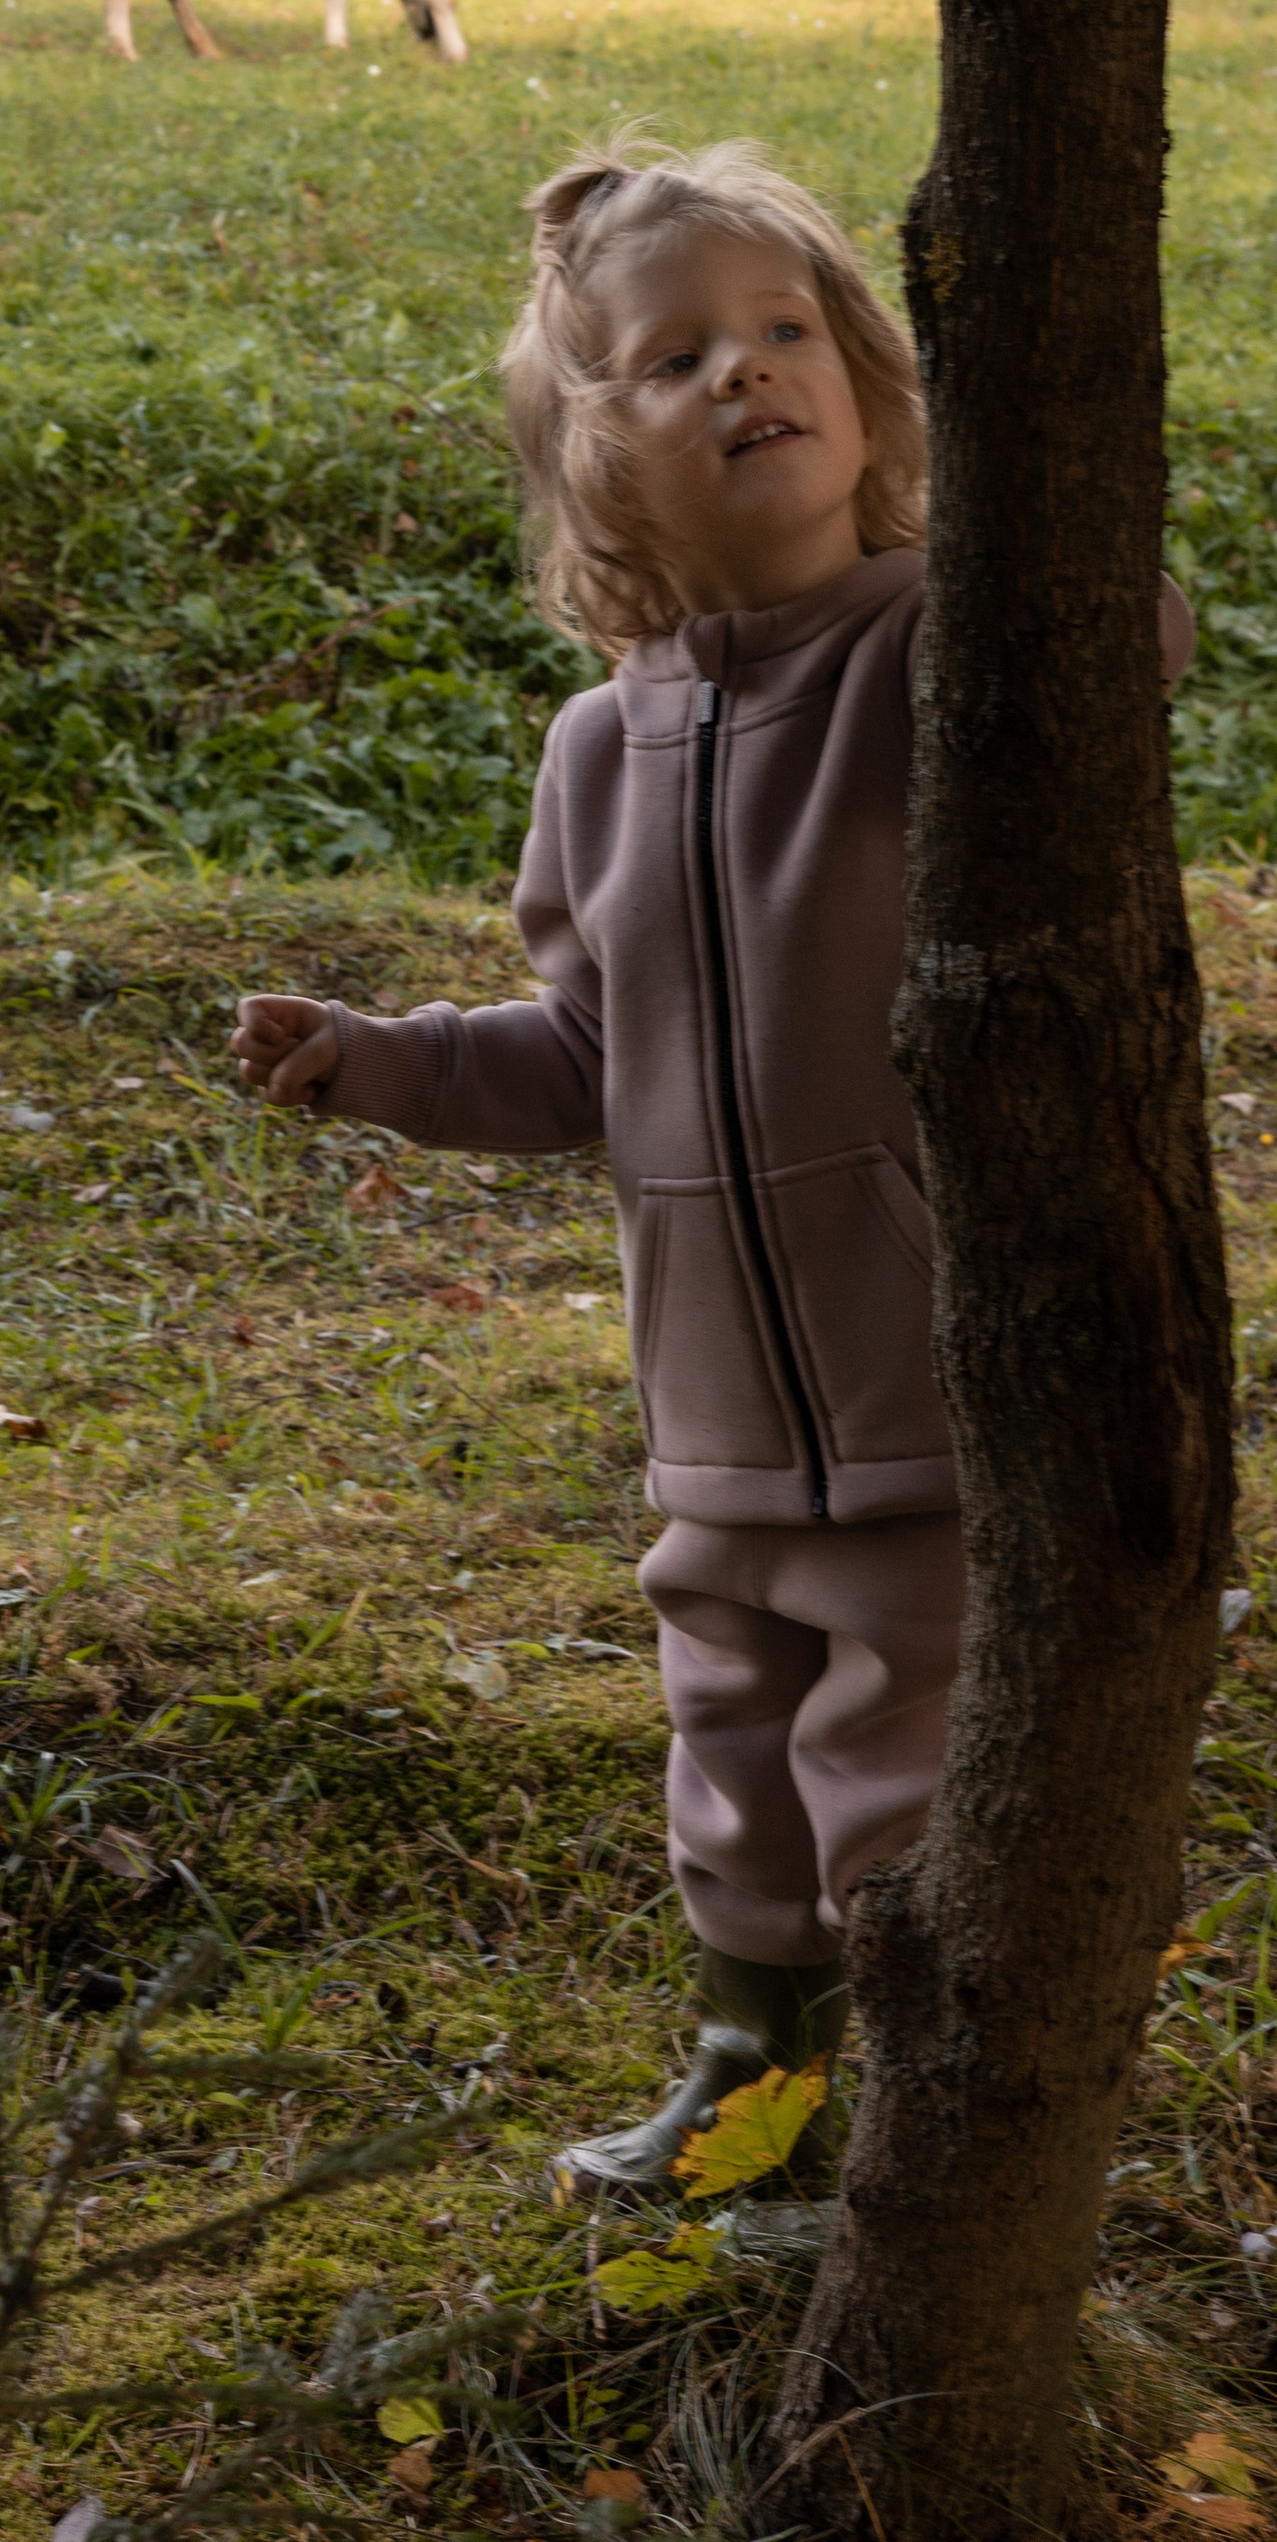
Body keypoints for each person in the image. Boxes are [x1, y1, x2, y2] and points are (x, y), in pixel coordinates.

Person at [230, 138, 1186, 2192]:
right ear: (600, 467)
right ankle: (748, 2087)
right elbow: (582, 1051)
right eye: (673, 359)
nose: (744, 375)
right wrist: (380, 1064)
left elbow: (1124, 648)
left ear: (862, 380)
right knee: (728, 1774)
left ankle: (926, 2131)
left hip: (921, 1382)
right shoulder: (598, 754)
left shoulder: (924, 654)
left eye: (781, 331)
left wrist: (1059, 560)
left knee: (887, 1781)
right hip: (715, 1425)